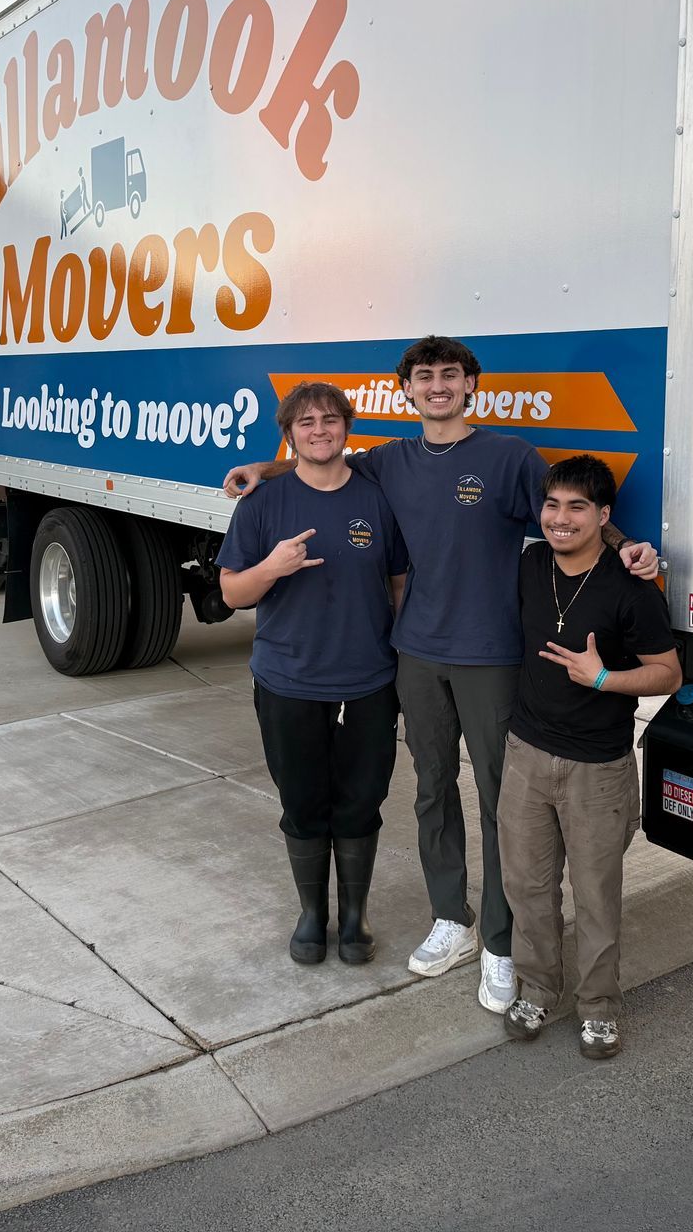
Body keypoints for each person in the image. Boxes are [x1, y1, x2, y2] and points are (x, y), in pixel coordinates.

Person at [224, 337, 658, 1014]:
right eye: (423, 377)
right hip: (415, 654)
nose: (436, 387)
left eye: (449, 376)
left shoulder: (508, 456)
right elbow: (321, 463)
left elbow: (569, 514)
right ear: (405, 391)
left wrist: (625, 544)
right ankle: (451, 917)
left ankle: (500, 942)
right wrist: (260, 468)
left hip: (490, 653)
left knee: (499, 803)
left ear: (469, 385)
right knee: (431, 790)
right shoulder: (389, 461)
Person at [219, 382, 408, 965]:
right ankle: (312, 913)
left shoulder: (377, 499)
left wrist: (398, 647)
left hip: (369, 680)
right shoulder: (262, 504)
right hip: (287, 679)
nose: (319, 429)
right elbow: (231, 593)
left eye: (330, 419)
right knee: (302, 801)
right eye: (306, 422)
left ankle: (354, 917)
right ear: (289, 433)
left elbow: (398, 581)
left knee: (360, 801)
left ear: (346, 427)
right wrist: (272, 568)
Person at [499, 455, 680, 1059]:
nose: (561, 518)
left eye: (578, 507)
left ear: (604, 516)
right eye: (552, 504)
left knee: (596, 894)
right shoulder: (529, 564)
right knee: (526, 885)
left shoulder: (631, 587)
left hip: (598, 768)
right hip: (526, 754)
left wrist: (603, 678)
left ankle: (599, 1007)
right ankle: (537, 988)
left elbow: (669, 674)